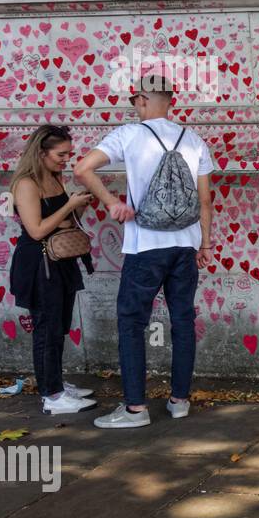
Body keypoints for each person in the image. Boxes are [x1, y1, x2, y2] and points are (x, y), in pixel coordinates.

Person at [73, 73, 215, 430]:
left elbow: (83, 169)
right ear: (172, 102)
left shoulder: (128, 135)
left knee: (132, 324)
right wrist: (205, 244)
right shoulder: (195, 139)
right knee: (183, 320)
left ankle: (135, 409)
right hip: (186, 246)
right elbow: (205, 200)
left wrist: (111, 202)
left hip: (145, 246)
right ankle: (179, 401)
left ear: (140, 100)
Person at [8, 125, 98, 415]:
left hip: (60, 261)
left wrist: (77, 206)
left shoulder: (54, 178)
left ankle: (55, 382)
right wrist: (67, 207)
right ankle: (52, 396)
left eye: (68, 154)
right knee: (46, 330)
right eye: (61, 154)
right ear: (41, 152)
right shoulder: (26, 184)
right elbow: (36, 231)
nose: (66, 160)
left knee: (58, 326)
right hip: (39, 265)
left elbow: (64, 222)